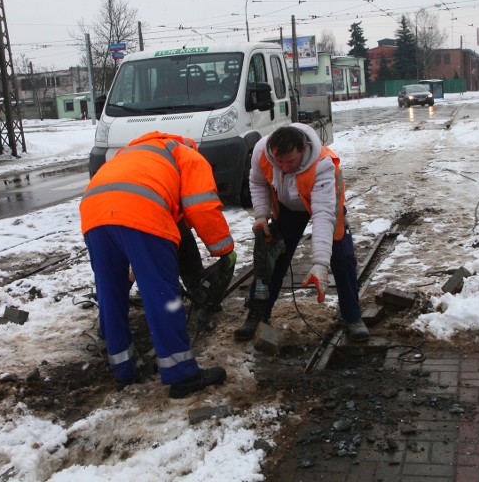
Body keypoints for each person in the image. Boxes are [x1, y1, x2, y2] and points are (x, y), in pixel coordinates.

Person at [80, 130, 235, 398]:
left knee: (110, 292)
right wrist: (223, 249)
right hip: (143, 213)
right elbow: (201, 206)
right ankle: (182, 375)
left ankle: (124, 371)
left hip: (93, 214)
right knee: (163, 296)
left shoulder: (130, 153)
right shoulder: (188, 155)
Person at [234, 123, 370, 342]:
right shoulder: (261, 152)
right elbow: (257, 182)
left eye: (291, 162)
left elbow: (323, 215)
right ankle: (258, 313)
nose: (285, 167)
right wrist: (261, 215)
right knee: (270, 256)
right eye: (280, 162)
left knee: (342, 258)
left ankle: (352, 317)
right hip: (287, 207)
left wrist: (319, 264)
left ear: (303, 150)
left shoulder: (323, 164)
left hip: (324, 205)